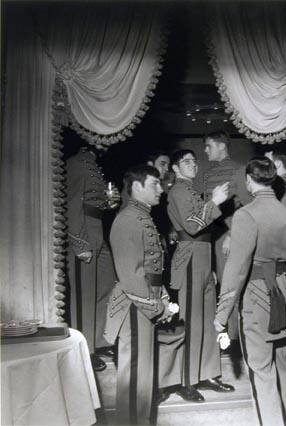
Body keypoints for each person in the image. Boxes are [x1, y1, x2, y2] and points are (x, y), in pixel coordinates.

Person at [215, 157, 286, 426]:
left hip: (256, 300)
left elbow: (236, 269)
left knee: (262, 374)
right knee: (284, 370)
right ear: (273, 180)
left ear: (249, 181)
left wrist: (221, 315)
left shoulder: (246, 215)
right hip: (284, 297)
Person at [106, 164, 184, 425]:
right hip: (134, 305)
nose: (161, 189)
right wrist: (155, 307)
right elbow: (130, 276)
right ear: (137, 187)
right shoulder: (128, 219)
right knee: (136, 374)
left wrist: (161, 298)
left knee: (143, 373)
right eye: (154, 184)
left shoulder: (142, 216)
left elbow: (151, 266)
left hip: (145, 301)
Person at [167, 149, 235, 401]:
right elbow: (193, 225)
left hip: (204, 254)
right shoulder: (177, 191)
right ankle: (186, 380)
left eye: (195, 161)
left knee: (207, 319)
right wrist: (214, 202)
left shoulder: (191, 190)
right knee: (191, 321)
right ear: (175, 168)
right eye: (186, 162)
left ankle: (207, 374)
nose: (193, 165)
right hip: (190, 256)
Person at [66, 145, 120, 371]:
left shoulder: (94, 164)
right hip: (85, 231)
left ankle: (98, 341)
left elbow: (93, 202)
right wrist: (79, 242)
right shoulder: (77, 162)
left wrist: (111, 203)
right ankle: (83, 349)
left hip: (98, 228)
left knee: (106, 286)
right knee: (85, 295)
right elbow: (72, 203)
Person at [200, 131, 251, 339]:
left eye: (209, 146)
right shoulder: (208, 174)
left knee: (230, 285)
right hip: (211, 237)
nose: (205, 150)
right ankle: (224, 334)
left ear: (222, 146)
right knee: (216, 285)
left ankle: (234, 337)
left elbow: (246, 208)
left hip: (228, 236)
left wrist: (232, 234)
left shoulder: (239, 171)